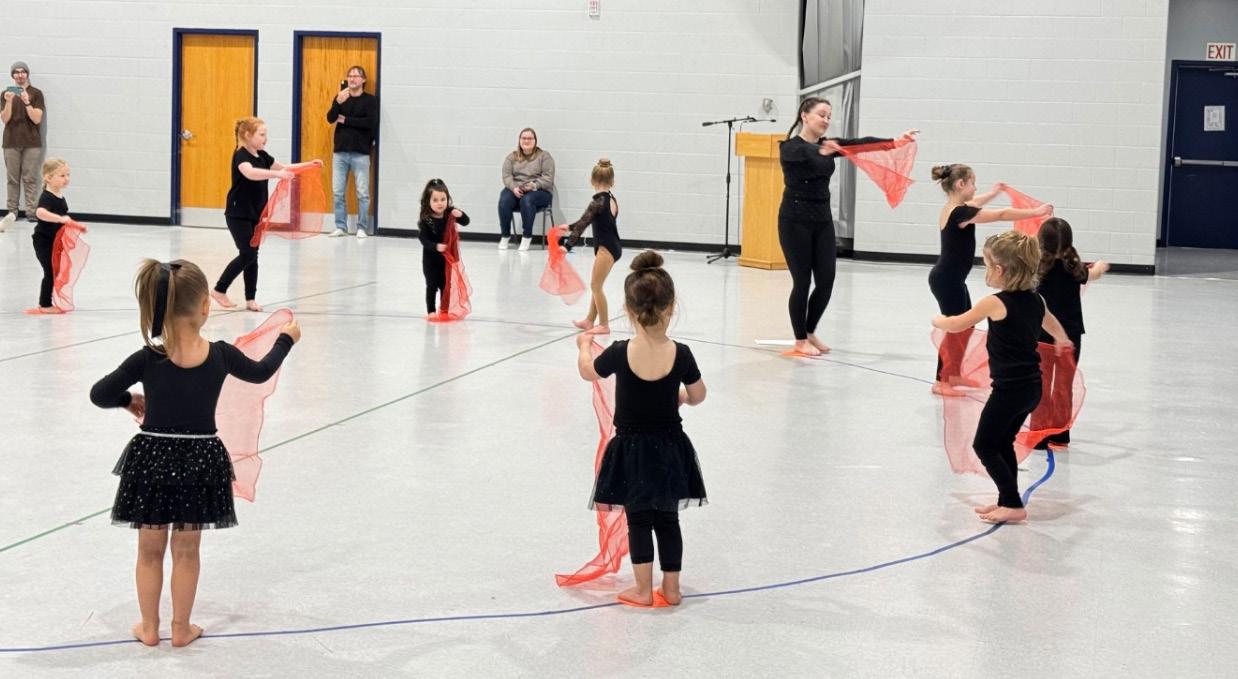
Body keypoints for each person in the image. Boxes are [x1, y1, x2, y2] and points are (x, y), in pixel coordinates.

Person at [90, 259, 300, 647]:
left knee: (149, 550)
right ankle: (181, 628)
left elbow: (99, 394)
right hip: (200, 459)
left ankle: (149, 627)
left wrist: (127, 400)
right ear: (205, 305)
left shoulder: (147, 358)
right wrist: (286, 339)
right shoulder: (220, 355)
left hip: (152, 457)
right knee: (187, 551)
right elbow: (260, 372)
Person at [575, 250, 707, 606]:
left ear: (629, 309)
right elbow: (698, 395)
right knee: (668, 519)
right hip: (670, 448)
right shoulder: (682, 353)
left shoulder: (620, 352)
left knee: (639, 519)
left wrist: (584, 346)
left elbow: (588, 372)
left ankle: (643, 589)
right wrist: (681, 396)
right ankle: (672, 588)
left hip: (631, 451)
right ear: (671, 306)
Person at [932, 231, 1072, 524]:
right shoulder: (1036, 300)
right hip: (1031, 388)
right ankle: (1008, 499)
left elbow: (958, 324)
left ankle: (1012, 503)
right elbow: (1052, 323)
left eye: (986, 265)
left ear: (999, 269)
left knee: (984, 445)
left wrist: (939, 320)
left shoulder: (994, 303)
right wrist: (1061, 338)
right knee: (1003, 442)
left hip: (1010, 391)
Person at [778, 96, 917, 356]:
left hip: (822, 221)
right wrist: (822, 151)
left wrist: (895, 142)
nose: (826, 120)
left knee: (826, 281)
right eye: (821, 114)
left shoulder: (828, 145)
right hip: (794, 221)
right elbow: (803, 154)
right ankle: (800, 340)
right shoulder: (790, 147)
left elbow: (860, 144)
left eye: (829, 116)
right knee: (802, 281)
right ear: (804, 115)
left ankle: (810, 330)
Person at [928, 163, 1053, 395]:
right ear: (961, 184)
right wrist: (1036, 212)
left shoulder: (955, 207)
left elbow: (977, 202)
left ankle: (952, 374)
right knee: (956, 328)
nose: (976, 188)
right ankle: (941, 381)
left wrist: (994, 192)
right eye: (973, 183)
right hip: (947, 280)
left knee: (966, 325)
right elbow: (1002, 214)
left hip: (951, 278)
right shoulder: (960, 213)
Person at [211, 117, 321, 311]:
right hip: (238, 214)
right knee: (247, 254)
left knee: (253, 256)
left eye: (265, 135)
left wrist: (308, 165)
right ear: (247, 135)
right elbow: (250, 173)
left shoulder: (262, 155)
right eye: (261, 135)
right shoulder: (241, 155)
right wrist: (276, 175)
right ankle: (219, 290)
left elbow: (285, 167)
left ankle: (250, 299)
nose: (265, 139)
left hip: (256, 213)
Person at [1032, 217, 1108, 449]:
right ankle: (1061, 434)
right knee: (1064, 385)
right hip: (1070, 335)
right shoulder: (1074, 267)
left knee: (1041, 383)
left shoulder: (1036, 268)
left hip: (1040, 333)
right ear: (1068, 243)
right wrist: (1099, 267)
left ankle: (1039, 434)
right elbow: (1093, 274)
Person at [562, 158, 620, 335]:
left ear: (592, 181)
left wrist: (567, 246)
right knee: (597, 284)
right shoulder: (611, 199)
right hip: (612, 246)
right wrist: (569, 227)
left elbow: (582, 224)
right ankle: (589, 320)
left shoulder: (597, 201)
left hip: (606, 248)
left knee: (596, 286)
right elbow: (587, 220)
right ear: (612, 181)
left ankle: (604, 324)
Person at [326, 65, 378, 238]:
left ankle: (362, 227)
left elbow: (369, 123)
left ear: (363, 80)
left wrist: (346, 120)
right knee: (338, 192)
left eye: (356, 76)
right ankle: (341, 226)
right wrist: (337, 103)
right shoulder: (341, 97)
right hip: (340, 152)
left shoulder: (370, 101)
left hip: (361, 153)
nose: (352, 79)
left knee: (362, 193)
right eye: (350, 75)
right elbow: (330, 118)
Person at [1, 61, 45, 229]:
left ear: (27, 74)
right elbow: (5, 119)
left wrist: (27, 102)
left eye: (23, 72)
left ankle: (32, 212)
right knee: (12, 179)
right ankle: (12, 212)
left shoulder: (36, 93)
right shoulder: (5, 94)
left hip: (32, 143)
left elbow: (37, 119)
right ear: (12, 75)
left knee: (30, 178)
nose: (20, 75)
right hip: (11, 142)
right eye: (16, 72)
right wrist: (9, 102)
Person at [417, 178, 470, 315]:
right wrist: (436, 246)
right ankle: (431, 311)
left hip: (446, 260)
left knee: (445, 285)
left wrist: (460, 214)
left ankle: (444, 310)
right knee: (432, 285)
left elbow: (466, 221)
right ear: (428, 201)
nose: (440, 203)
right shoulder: (426, 220)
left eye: (443, 199)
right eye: (435, 200)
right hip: (430, 260)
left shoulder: (449, 213)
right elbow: (423, 239)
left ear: (447, 199)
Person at [498, 128, 554, 251]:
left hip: (540, 191)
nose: (526, 141)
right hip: (517, 189)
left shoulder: (544, 156)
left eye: (530, 138)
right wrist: (514, 187)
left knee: (527, 200)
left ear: (535, 141)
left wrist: (534, 185)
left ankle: (527, 236)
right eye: (524, 138)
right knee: (504, 199)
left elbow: (548, 178)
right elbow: (506, 176)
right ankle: (505, 235)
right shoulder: (511, 157)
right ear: (519, 140)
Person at [31, 158, 70, 312]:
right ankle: (45, 304)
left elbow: (62, 217)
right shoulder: (47, 197)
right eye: (62, 175)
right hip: (44, 242)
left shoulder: (59, 196)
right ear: (48, 177)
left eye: (68, 175)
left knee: (56, 271)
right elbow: (40, 213)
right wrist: (60, 219)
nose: (66, 179)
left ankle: (50, 300)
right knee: (51, 271)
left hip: (55, 241)